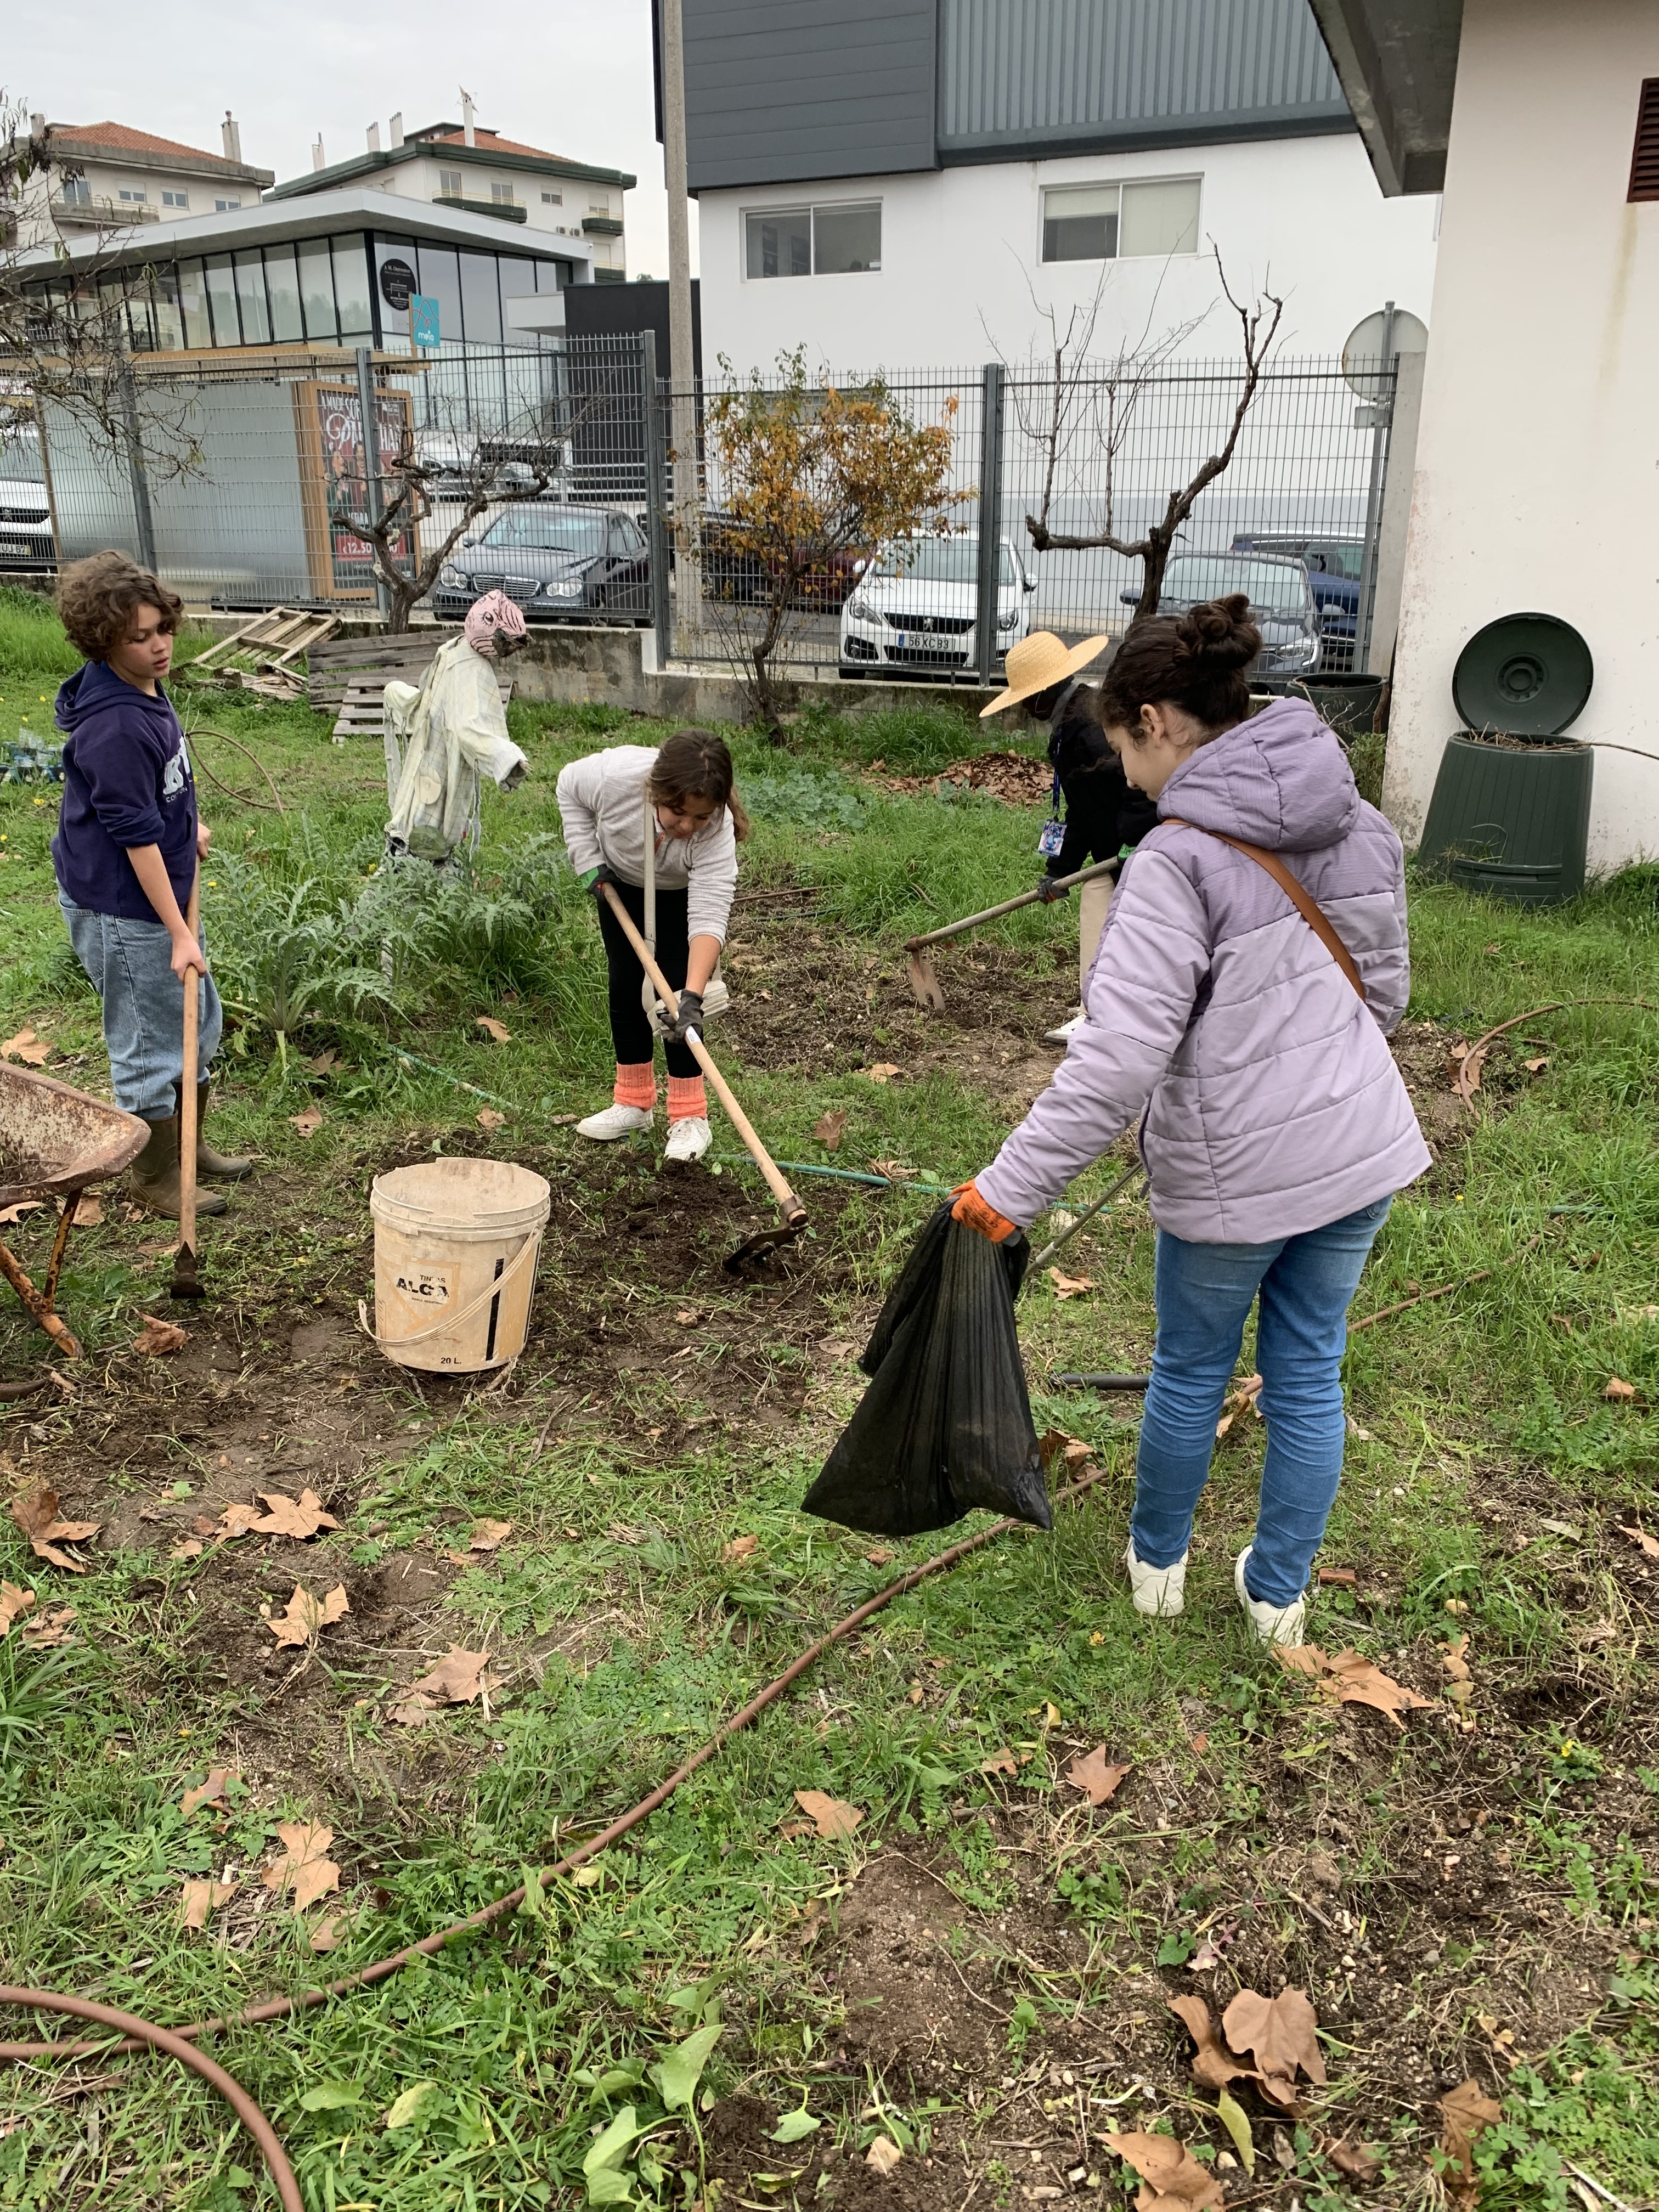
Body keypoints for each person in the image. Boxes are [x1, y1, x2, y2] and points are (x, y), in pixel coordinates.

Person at [951, 596, 1429, 1647]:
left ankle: (1156, 1568)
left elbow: (1117, 1057)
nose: (1121, 771)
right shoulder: (1360, 823)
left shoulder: (1170, 862)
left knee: (1190, 1369)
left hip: (1233, 1181)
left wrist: (1003, 1194)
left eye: (1123, 743)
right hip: (1358, 1154)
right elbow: (1379, 1000)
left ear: (1157, 720)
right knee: (1308, 1369)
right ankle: (1276, 1598)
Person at [52, 551, 249, 1219]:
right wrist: (176, 932)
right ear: (103, 640)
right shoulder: (112, 725)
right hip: (125, 905)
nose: (159, 646)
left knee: (195, 1019)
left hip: (159, 889)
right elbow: (133, 837)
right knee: (149, 1040)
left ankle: (188, 1144)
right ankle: (156, 1175)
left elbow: (162, 791)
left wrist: (187, 827)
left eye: (162, 628)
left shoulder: (144, 687)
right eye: (139, 637)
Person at [556, 729, 747, 1164]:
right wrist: (588, 860)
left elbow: (709, 911)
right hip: (618, 884)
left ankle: (689, 1116)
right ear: (656, 791)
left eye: (700, 818)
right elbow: (567, 785)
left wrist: (694, 996)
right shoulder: (615, 777)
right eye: (678, 813)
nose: (687, 827)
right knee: (626, 985)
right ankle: (634, 1103)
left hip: (678, 892)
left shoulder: (717, 829)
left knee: (675, 998)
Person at [980, 630, 1159, 1045]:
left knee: (1109, 921)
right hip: (1108, 849)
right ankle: (1100, 1006)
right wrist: (1058, 870)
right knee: (1102, 908)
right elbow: (1080, 810)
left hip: (1131, 850)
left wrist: (1136, 845)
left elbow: (1135, 787)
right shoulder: (1071, 724)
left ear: (1045, 692)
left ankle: (1096, 1015)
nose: (1024, 707)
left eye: (1026, 697)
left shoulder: (1090, 730)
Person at [385, 590, 529, 862]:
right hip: (437, 752)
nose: (505, 650)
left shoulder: (452, 648)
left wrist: (397, 693)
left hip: (432, 751)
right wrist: (507, 759)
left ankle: (408, 866)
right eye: (505, 642)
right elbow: (469, 728)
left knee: (420, 809)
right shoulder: (469, 666)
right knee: (430, 819)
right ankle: (414, 873)